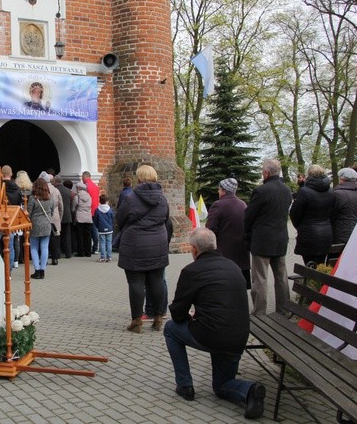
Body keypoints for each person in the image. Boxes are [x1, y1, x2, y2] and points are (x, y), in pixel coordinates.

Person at [164, 227, 266, 419]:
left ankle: (185, 386)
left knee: (170, 329)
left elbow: (177, 313)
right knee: (221, 386)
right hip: (238, 336)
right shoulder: (234, 266)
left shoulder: (191, 271)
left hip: (211, 334)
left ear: (194, 249)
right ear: (215, 245)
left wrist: (191, 318)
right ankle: (251, 390)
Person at [116, 164, 170, 333]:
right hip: (158, 243)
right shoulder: (162, 199)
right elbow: (166, 218)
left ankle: (137, 320)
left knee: (135, 282)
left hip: (135, 244)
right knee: (157, 281)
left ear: (139, 178)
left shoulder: (130, 198)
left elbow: (120, 218)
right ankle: (159, 317)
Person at [244, 158, 292, 315]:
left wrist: (247, 234)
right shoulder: (286, 190)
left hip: (263, 240)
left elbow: (249, 216)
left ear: (266, 173)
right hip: (280, 238)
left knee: (260, 278)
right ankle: (284, 309)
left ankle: (260, 311)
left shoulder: (261, 191)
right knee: (281, 276)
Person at [206, 178, 250, 287]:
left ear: (224, 190)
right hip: (241, 254)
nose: (218, 191)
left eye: (219, 189)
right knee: (240, 286)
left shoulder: (218, 205)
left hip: (224, 255)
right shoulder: (243, 205)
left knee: (224, 288)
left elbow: (210, 229)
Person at [290, 165, 334, 267]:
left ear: (309, 175)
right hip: (326, 233)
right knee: (322, 266)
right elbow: (332, 210)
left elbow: (294, 213)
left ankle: (313, 283)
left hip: (308, 234)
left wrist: (300, 226)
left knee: (310, 267)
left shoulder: (304, 191)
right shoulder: (331, 191)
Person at [0, 165, 22, 268]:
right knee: (9, 246)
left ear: (2, 175)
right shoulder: (17, 189)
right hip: (10, 220)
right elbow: (19, 205)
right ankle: (8, 271)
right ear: (11, 174)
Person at [27, 178, 53, 279]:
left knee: (34, 247)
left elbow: (28, 213)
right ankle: (43, 270)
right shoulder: (50, 198)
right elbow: (52, 210)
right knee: (45, 247)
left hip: (35, 224)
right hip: (47, 224)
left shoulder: (33, 198)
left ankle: (37, 269)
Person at [331, 167, 357, 244]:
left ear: (342, 178)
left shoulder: (338, 194)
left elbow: (332, 214)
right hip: (356, 232)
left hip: (340, 233)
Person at [39, 171, 63, 265]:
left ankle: (43, 259)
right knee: (55, 238)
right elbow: (61, 205)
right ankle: (55, 258)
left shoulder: (40, 190)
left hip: (43, 217)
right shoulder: (56, 190)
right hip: (55, 216)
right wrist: (60, 217)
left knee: (43, 239)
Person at [54, 175, 73, 259]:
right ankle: (68, 253)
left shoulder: (55, 191)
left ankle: (58, 254)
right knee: (67, 235)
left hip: (57, 215)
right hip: (67, 215)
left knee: (57, 235)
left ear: (55, 181)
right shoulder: (68, 191)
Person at [73, 181, 93, 257]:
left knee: (80, 236)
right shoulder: (89, 196)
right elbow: (90, 205)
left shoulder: (77, 197)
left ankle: (80, 252)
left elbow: (73, 208)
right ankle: (88, 252)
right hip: (88, 217)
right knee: (88, 235)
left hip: (80, 217)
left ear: (78, 188)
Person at [83, 171, 100, 255]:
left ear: (85, 177)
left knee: (89, 230)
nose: (82, 180)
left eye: (83, 178)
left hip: (88, 210)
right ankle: (96, 248)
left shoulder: (86, 186)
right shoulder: (96, 186)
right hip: (96, 209)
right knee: (95, 230)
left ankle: (90, 248)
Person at [93, 194, 114, 262]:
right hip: (109, 228)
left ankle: (102, 257)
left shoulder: (97, 210)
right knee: (109, 243)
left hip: (101, 228)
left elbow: (95, 220)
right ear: (107, 201)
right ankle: (109, 257)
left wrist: (97, 226)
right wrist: (111, 225)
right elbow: (112, 218)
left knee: (102, 243)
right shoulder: (110, 209)